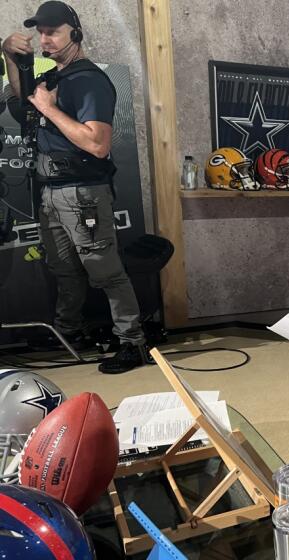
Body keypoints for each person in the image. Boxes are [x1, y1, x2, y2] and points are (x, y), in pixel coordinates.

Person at [2, 1, 148, 374]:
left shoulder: (89, 80)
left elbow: (97, 144)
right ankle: (69, 332)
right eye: (41, 32)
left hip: (83, 193)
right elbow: (23, 102)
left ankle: (133, 343)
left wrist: (51, 110)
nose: (45, 39)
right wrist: (8, 55)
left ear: (76, 33)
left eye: (53, 31)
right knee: (63, 269)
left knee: (105, 271)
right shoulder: (55, 77)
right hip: (51, 191)